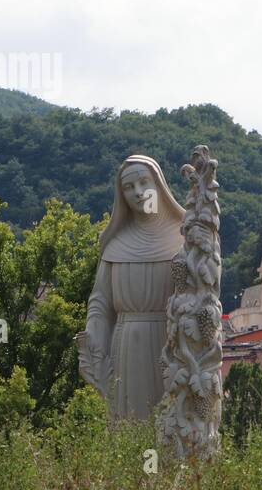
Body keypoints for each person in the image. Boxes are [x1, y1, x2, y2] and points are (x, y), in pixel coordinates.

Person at [77, 155, 185, 420]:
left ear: (158, 184)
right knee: (130, 421)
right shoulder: (116, 243)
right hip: (125, 344)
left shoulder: (185, 236)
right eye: (128, 187)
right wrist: (93, 335)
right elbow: (100, 301)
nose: (137, 192)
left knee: (171, 419)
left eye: (143, 182)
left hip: (170, 343)